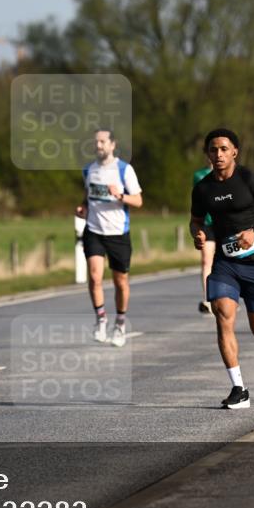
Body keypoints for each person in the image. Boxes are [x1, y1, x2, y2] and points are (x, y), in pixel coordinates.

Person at [190, 128, 254, 410]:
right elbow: (195, 220)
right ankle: (238, 388)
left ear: (235, 151)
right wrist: (197, 234)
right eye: (213, 149)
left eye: (224, 149)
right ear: (207, 154)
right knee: (223, 313)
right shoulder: (203, 188)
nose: (218, 154)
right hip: (225, 263)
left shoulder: (250, 179)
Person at [75, 129, 144, 347]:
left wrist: (120, 195)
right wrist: (83, 207)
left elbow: (138, 201)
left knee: (120, 281)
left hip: (118, 233)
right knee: (95, 277)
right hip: (94, 230)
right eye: (96, 142)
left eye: (103, 142)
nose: (98, 145)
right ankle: (101, 320)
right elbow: (88, 196)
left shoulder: (124, 169)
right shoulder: (89, 170)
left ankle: (120, 324)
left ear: (112, 145)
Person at [192, 162, 217, 314]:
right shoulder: (199, 175)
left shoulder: (231, 173)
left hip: (225, 224)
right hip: (206, 224)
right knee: (206, 261)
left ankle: (229, 297)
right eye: (211, 151)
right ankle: (208, 299)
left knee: (226, 259)